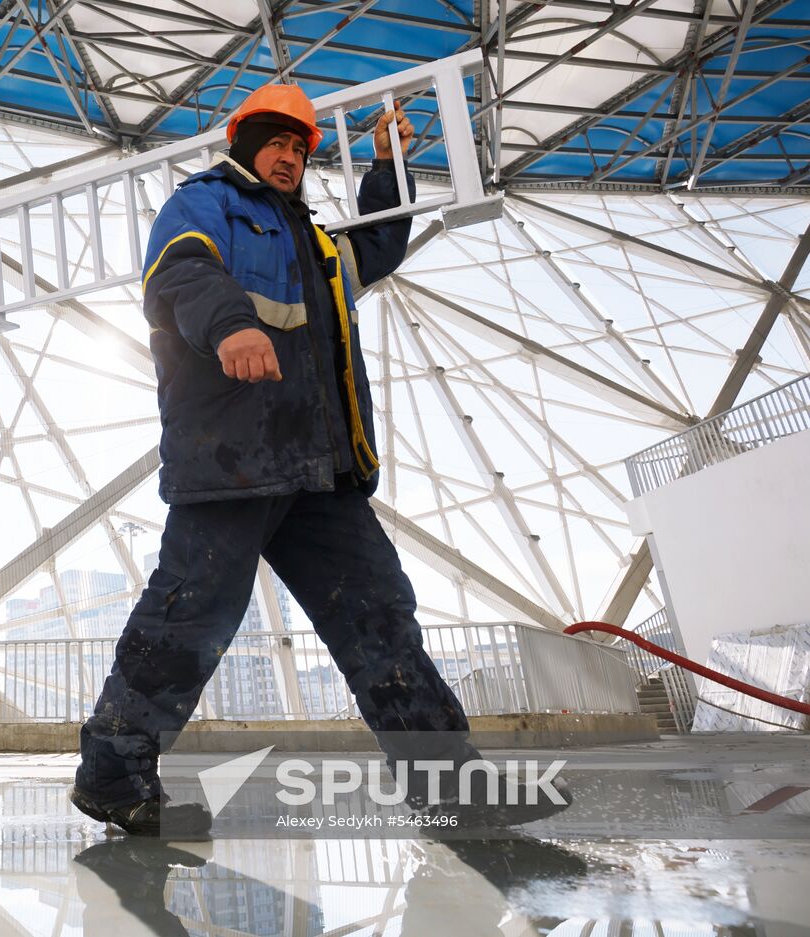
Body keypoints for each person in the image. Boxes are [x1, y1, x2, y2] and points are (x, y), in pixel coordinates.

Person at [72, 84, 570, 836]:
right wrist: (233, 325)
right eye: (277, 143)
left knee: (382, 620)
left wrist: (388, 167)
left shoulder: (315, 242)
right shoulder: (206, 203)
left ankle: (450, 785)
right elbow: (179, 274)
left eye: (302, 149)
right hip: (232, 458)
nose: (291, 157)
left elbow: (375, 249)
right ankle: (113, 775)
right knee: (188, 618)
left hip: (320, 470)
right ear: (244, 145)